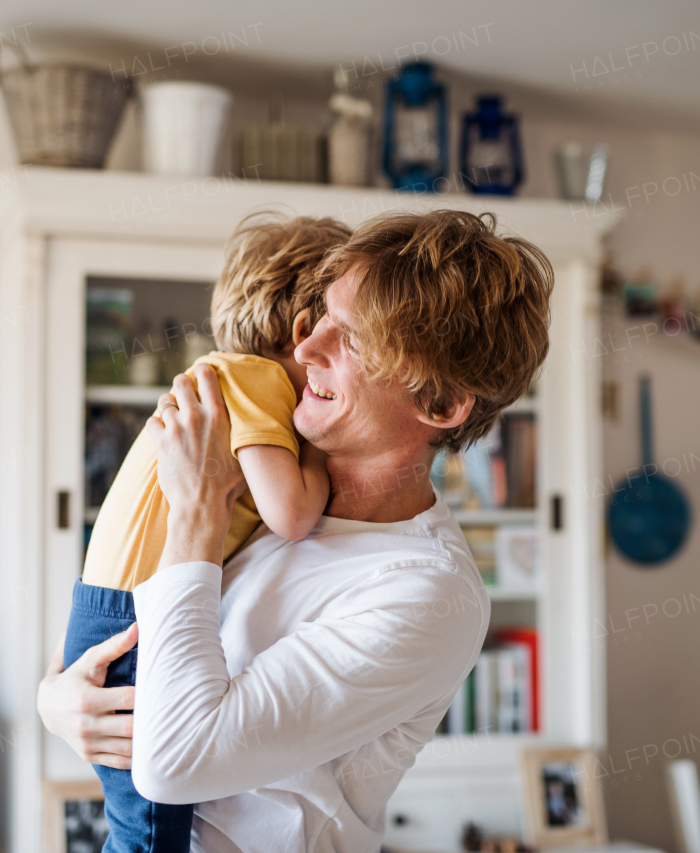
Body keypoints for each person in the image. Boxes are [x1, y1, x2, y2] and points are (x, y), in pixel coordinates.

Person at [39, 209, 554, 853]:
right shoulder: (272, 489)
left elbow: (175, 764)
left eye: (354, 340)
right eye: (322, 319)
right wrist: (58, 704)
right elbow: (127, 622)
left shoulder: (426, 593)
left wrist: (197, 504)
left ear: (441, 405)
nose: (306, 348)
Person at [63, 214, 350, 853]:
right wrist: (322, 449)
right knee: (153, 825)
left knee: (142, 814)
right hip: (133, 619)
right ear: (306, 329)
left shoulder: (226, 377)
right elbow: (292, 513)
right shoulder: (257, 381)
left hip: (107, 608)